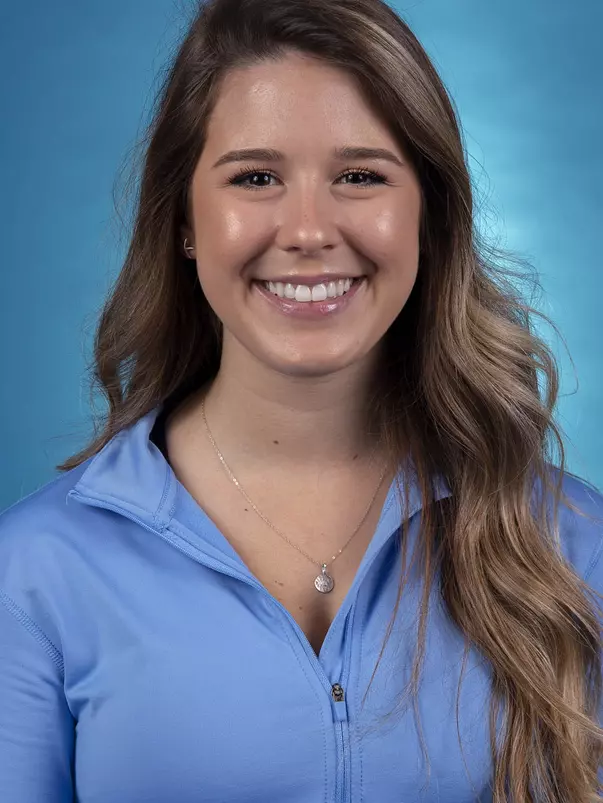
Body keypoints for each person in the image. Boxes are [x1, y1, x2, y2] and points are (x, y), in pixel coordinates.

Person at [1, 0, 602, 800]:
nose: (309, 229)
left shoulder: (571, 545)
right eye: (255, 177)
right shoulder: (38, 569)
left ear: (426, 212)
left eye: (359, 176)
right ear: (183, 218)